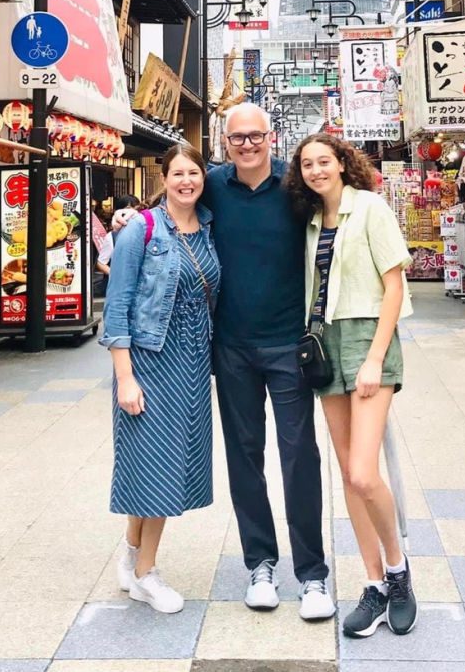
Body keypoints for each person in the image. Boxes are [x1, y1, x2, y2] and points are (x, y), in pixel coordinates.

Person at [116, 104, 335, 619]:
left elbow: (341, 205)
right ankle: (259, 563)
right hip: (229, 347)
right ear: (225, 140)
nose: (247, 144)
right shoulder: (214, 183)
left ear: (271, 137)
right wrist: (129, 219)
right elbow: (175, 200)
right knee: (244, 456)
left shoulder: (295, 184)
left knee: (300, 454)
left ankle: (313, 575)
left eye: (256, 135)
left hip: (289, 344)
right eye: (237, 137)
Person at [285, 134, 416, 639]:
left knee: (364, 472)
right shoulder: (313, 220)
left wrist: (375, 358)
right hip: (324, 343)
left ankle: (400, 571)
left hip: (366, 339)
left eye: (324, 161)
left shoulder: (371, 208)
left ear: (342, 163)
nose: (316, 170)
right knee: (347, 472)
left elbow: (395, 284)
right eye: (307, 164)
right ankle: (374, 583)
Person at [101, 145, 220, 614]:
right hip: (150, 362)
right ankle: (148, 572)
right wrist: (125, 379)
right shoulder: (141, 230)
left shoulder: (209, 228)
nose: (186, 181)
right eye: (178, 173)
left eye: (194, 172)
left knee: (164, 465)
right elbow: (116, 307)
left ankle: (131, 558)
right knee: (156, 468)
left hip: (192, 362)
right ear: (164, 178)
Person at [95, 195, 140, 296]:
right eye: (128, 208)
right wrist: (118, 275)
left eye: (135, 208)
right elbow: (101, 263)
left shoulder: (145, 232)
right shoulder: (112, 236)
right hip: (119, 289)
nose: (131, 212)